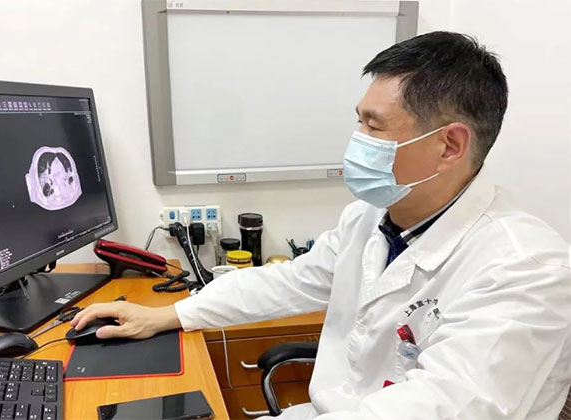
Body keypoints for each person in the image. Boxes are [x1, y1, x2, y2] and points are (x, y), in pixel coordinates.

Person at [72, 32, 571, 419]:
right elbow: (288, 282)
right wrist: (170, 315)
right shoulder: (374, 218)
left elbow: (442, 406)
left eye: (374, 125)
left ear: (450, 145)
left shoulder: (526, 270)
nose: (357, 139)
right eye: (359, 121)